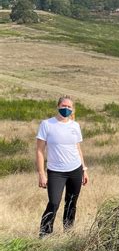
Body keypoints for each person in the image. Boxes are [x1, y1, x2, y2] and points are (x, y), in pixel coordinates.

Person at [36, 96, 88, 237]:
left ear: (73, 109)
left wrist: (84, 169)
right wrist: (41, 173)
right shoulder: (47, 124)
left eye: (69, 107)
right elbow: (40, 150)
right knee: (53, 203)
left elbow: (77, 148)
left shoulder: (75, 126)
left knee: (71, 203)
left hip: (75, 170)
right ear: (58, 106)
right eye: (63, 106)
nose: (66, 109)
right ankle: (44, 235)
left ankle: (68, 233)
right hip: (56, 172)